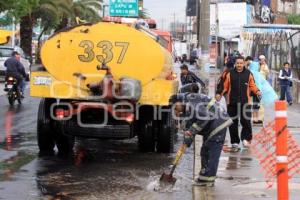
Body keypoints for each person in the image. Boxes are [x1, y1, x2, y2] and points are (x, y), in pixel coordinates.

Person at [171, 92, 232, 186]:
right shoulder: (188, 103)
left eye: (175, 108)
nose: (176, 112)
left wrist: (191, 132)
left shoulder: (190, 102)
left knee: (211, 152)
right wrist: (188, 137)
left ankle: (208, 180)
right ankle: (204, 177)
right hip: (214, 123)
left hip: (218, 123)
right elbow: (192, 123)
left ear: (178, 102)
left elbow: (204, 117)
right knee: (205, 150)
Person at [215, 56, 261, 150]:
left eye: (241, 63)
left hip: (245, 102)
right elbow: (225, 86)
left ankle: (246, 139)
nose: (239, 65)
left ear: (244, 63)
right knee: (233, 123)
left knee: (246, 121)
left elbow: (252, 85)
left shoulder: (248, 73)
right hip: (232, 102)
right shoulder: (230, 73)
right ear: (235, 64)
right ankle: (235, 142)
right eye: (238, 63)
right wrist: (219, 94)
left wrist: (257, 91)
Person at [245, 56, 261, 124]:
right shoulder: (250, 72)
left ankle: (255, 119)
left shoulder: (251, 72)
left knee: (256, 104)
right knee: (255, 104)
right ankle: (254, 119)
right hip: (254, 90)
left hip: (255, 89)